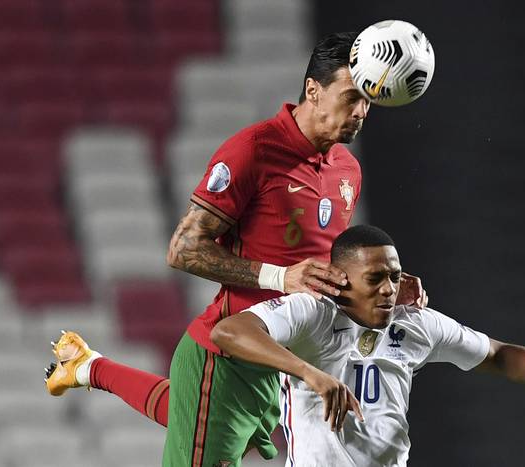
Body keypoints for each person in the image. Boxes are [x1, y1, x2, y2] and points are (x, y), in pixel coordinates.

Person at [44, 32, 426, 466]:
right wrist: (281, 278)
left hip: (283, 363)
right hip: (228, 356)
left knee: (188, 415)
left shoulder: (347, 169)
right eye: (351, 97)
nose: (360, 112)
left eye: (369, 100)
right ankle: (89, 368)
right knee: (202, 418)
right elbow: (183, 250)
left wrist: (383, 284)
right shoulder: (253, 151)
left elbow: (325, 266)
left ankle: (87, 366)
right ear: (313, 91)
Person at [210, 224, 525, 466]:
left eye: (395, 277)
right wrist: (310, 374)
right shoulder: (311, 313)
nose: (389, 289)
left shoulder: (414, 324)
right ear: (341, 278)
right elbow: (229, 331)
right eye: (375, 278)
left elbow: (496, 354)